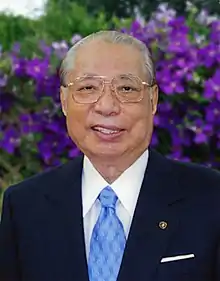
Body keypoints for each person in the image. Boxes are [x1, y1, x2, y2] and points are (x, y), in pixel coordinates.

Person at [0, 30, 220, 281]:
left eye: (126, 88)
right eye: (88, 87)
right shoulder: (25, 207)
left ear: (153, 100)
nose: (106, 106)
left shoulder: (211, 199)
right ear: (63, 100)